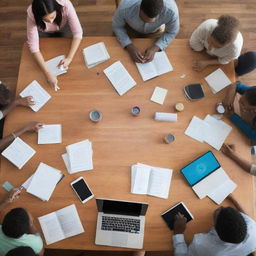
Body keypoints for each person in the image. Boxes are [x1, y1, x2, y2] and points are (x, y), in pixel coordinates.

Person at [172, 194, 256, 256]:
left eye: (217, 213)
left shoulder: (202, 245)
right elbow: (247, 218)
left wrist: (178, 232)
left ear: (215, 228)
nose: (221, 207)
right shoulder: (253, 228)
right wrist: (234, 199)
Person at [27, 0, 83, 91]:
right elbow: (34, 47)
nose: (50, 21)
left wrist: (69, 58)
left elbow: (78, 33)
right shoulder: (32, 13)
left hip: (63, 26)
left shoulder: (65, 4)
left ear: (57, 8)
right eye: (45, 19)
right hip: (43, 31)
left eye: (52, 17)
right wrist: (47, 73)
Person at [112, 0, 179, 63]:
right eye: (142, 19)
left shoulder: (172, 11)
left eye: (151, 21)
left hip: (155, 32)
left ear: (161, 12)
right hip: (130, 30)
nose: (146, 23)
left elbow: (171, 32)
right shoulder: (124, 7)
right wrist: (128, 45)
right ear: (140, 6)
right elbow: (117, 27)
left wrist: (156, 47)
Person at [0, 189, 44, 256]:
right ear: (26, 231)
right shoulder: (34, 243)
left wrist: (6, 201)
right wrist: (31, 224)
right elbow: (41, 253)